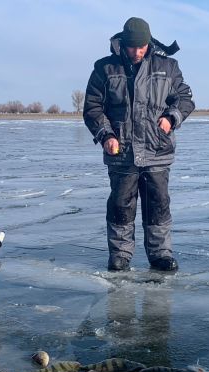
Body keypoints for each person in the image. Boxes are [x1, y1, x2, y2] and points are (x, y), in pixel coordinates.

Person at [83, 17, 194, 272]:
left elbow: (185, 100)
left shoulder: (168, 66)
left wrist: (170, 118)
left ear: (149, 42)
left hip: (157, 149)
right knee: (121, 204)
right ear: (122, 43)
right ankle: (120, 254)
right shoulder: (105, 68)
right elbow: (92, 108)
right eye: (132, 47)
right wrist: (106, 135)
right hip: (122, 151)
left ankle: (161, 254)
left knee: (158, 204)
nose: (137, 52)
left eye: (142, 46)